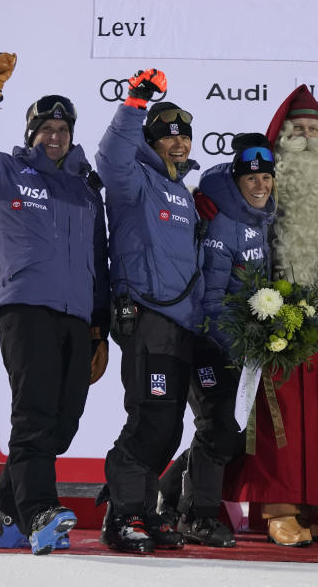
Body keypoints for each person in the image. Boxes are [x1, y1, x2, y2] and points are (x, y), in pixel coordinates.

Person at [0, 53, 109, 555]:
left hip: (78, 319)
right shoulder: (6, 173)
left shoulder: (86, 190)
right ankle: (40, 512)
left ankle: (7, 508)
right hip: (26, 309)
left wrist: (99, 327)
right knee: (35, 415)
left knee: (62, 424)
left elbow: (98, 259)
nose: (55, 136)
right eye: (46, 127)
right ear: (31, 131)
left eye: (63, 128)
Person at [222, 86, 318, 545]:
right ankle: (278, 507)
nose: (308, 135)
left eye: (315, 129)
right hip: (275, 313)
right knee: (277, 415)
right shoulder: (261, 187)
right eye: (298, 129)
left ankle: (311, 502)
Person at [95, 69, 204, 554]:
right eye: (167, 136)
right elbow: (109, 154)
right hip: (146, 316)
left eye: (184, 136)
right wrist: (136, 100)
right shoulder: (133, 177)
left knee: (170, 427)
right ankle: (122, 516)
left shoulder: (183, 192)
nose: (178, 144)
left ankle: (146, 511)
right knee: (150, 420)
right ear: (151, 140)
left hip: (182, 324)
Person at [166, 133, 277, 548]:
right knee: (219, 430)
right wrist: (231, 344)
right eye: (252, 179)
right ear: (236, 180)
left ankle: (167, 493)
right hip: (208, 341)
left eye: (267, 178)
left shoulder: (259, 217)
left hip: (237, 345)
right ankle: (196, 517)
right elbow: (210, 299)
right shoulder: (223, 220)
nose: (261, 185)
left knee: (227, 434)